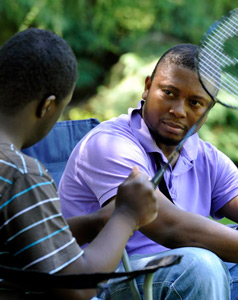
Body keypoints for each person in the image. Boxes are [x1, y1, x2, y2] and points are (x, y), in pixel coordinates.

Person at [59, 44, 238, 299]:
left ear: (208, 109)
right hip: (108, 281)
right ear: (148, 86)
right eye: (169, 93)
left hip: (185, 276)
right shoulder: (109, 144)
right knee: (199, 266)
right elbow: (171, 227)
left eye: (195, 102)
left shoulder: (206, 157)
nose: (179, 110)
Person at [0, 28, 158, 300]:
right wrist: (127, 216)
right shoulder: (20, 174)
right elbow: (78, 286)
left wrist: (94, 222)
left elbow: (18, 240)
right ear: (47, 106)